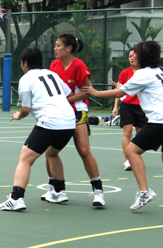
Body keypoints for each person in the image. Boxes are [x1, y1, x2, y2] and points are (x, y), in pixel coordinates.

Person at [83, 41, 163, 210]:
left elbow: (120, 93)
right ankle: (144, 191)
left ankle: (144, 191)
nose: (133, 55)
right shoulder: (160, 74)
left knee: (131, 150)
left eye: (136, 53)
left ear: (143, 56)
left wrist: (95, 92)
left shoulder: (142, 74)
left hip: (161, 120)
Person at [0, 47, 76, 211]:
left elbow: (26, 109)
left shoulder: (26, 79)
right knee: (52, 153)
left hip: (51, 123)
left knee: (25, 159)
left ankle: (16, 198)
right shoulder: (53, 74)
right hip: (69, 122)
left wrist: (19, 115)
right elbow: (68, 93)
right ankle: (60, 192)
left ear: (25, 63)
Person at [42, 33, 105, 207]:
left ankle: (98, 192)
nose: (55, 49)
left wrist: (65, 101)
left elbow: (86, 92)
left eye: (58, 46)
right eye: (55, 45)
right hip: (58, 113)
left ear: (69, 48)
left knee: (84, 151)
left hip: (77, 113)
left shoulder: (78, 65)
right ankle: (54, 188)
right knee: (49, 151)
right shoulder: (54, 65)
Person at [112, 49, 148, 171]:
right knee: (127, 133)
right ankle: (127, 160)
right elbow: (119, 91)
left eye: (133, 56)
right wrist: (115, 107)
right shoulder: (124, 73)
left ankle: (134, 156)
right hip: (127, 105)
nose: (131, 58)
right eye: (129, 56)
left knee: (141, 135)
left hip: (141, 106)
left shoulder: (145, 73)